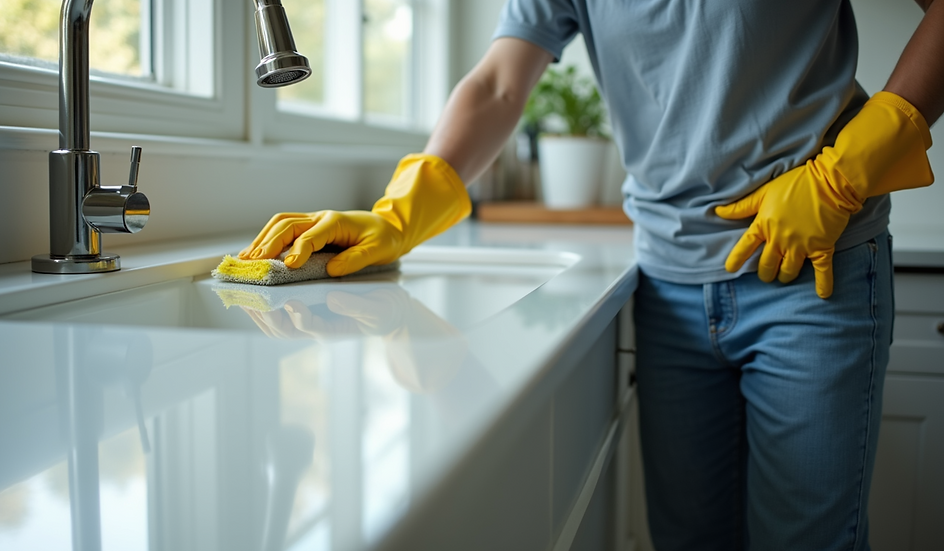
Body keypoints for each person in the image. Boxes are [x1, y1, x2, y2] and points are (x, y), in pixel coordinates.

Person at [239, 1, 942, 548]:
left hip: (813, 273)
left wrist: (842, 176)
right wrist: (398, 215)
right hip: (668, 287)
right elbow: (497, 84)